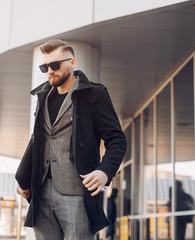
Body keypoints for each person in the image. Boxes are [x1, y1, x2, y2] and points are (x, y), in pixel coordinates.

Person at [15, 39, 127, 240]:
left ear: (72, 63)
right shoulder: (43, 97)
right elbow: (37, 141)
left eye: (55, 65)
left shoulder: (94, 94)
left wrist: (104, 171)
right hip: (41, 193)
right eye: (44, 66)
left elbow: (117, 139)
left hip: (77, 193)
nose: (50, 70)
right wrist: (24, 177)